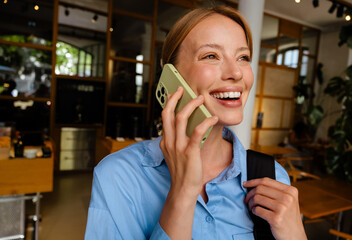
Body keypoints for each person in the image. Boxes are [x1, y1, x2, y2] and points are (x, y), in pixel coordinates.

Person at [85, 6, 307, 240]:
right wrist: (182, 193)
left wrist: (296, 234)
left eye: (243, 57)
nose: (236, 73)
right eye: (211, 56)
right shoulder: (117, 176)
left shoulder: (272, 177)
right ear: (171, 75)